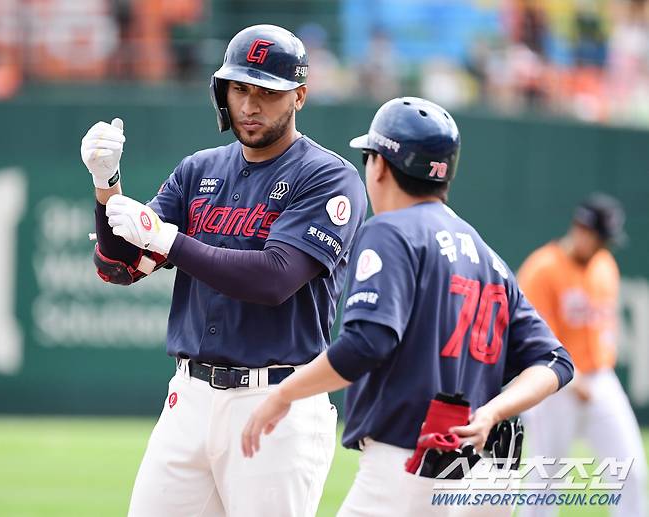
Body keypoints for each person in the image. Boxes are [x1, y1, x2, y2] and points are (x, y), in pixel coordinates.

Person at [79, 24, 367, 517]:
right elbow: (120, 267)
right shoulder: (199, 169)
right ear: (222, 91)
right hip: (188, 398)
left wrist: (167, 237)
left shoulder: (328, 175)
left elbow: (275, 278)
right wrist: (106, 185)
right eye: (240, 88)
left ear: (299, 95)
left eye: (267, 92)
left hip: (276, 402)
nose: (250, 105)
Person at [242, 96, 574, 516]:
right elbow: (556, 361)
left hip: (411, 464)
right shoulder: (487, 256)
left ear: (379, 164)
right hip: (487, 473)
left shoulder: (391, 232)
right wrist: (492, 411)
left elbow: (367, 343)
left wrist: (283, 394)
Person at [517, 193, 647, 517]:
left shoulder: (605, 265)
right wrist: (570, 381)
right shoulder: (542, 268)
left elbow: (605, 329)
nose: (605, 246)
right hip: (552, 383)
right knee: (545, 481)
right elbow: (534, 339)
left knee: (630, 470)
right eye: (601, 238)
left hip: (600, 379)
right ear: (581, 229)